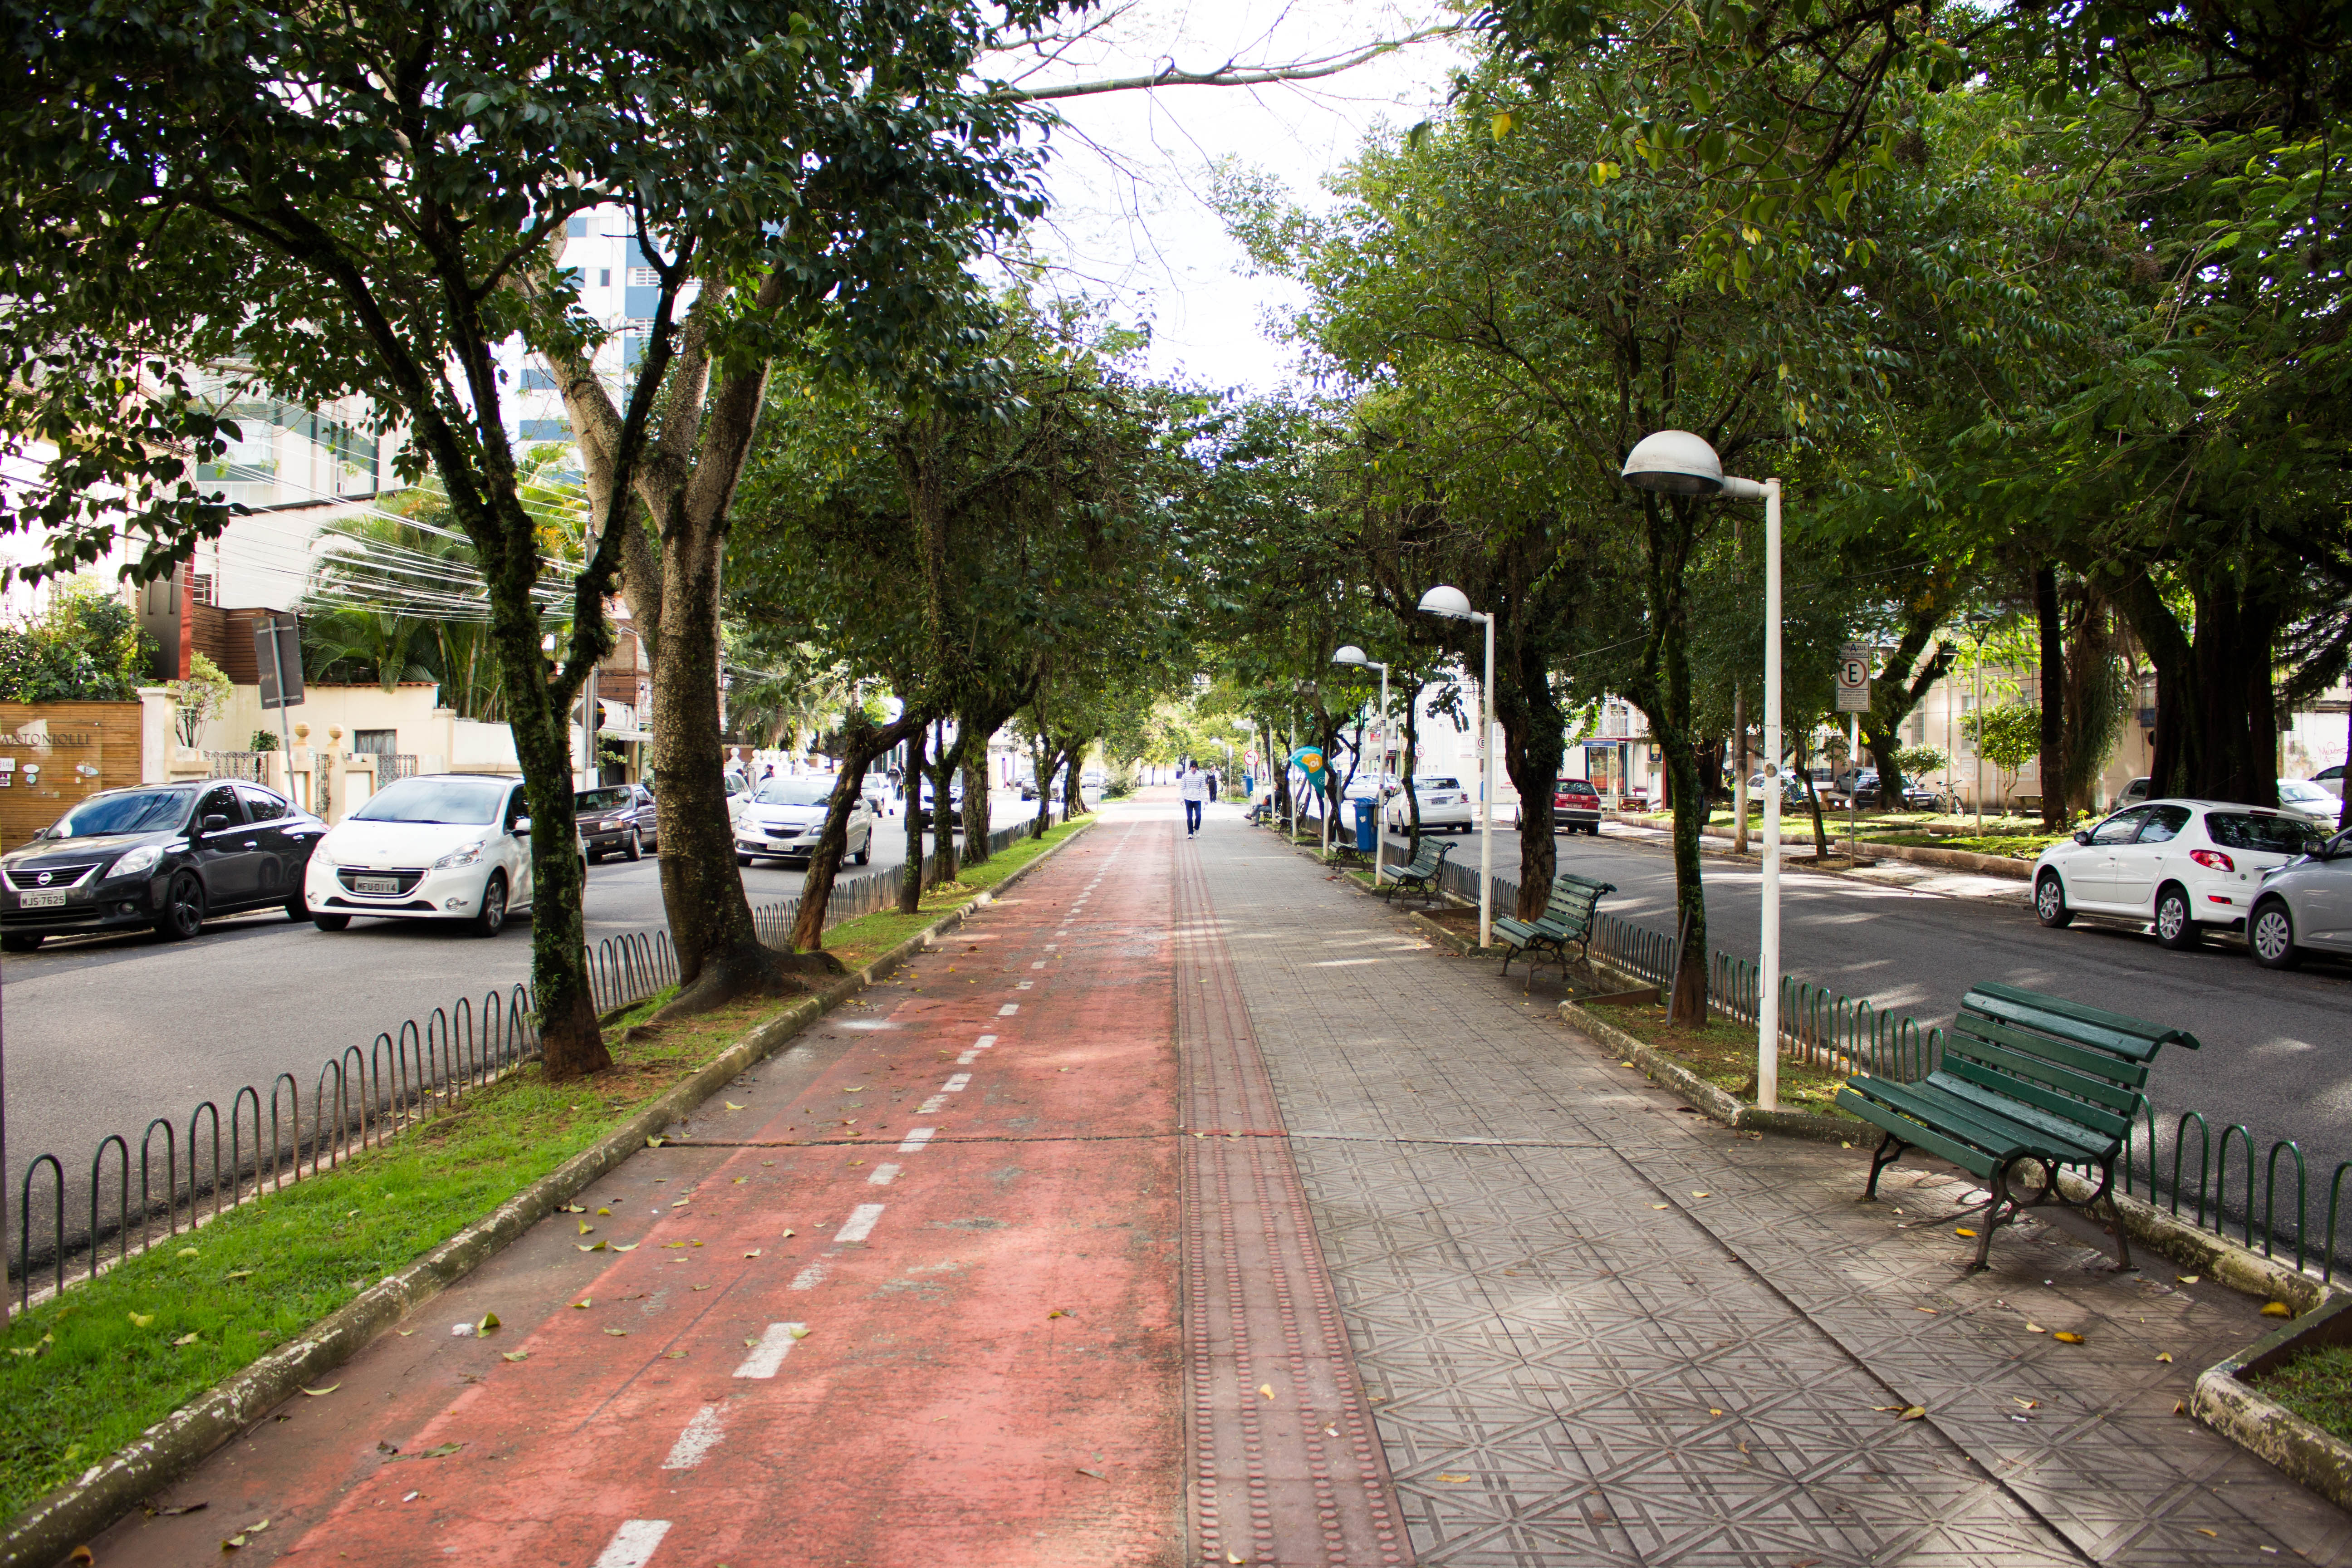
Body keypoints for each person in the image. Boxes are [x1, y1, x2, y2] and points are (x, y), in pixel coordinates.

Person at [1179, 759, 1208, 837]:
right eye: (1193, 768)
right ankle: (1190, 833)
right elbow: (1182, 788)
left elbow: (1203, 788)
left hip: (1197, 799)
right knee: (1189, 817)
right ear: (1190, 768)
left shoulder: (1201, 776)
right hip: (1188, 799)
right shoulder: (1185, 776)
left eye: (1196, 768)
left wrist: (1205, 799)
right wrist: (1181, 799)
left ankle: (1197, 828)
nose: (1194, 769)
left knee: (1198, 815)